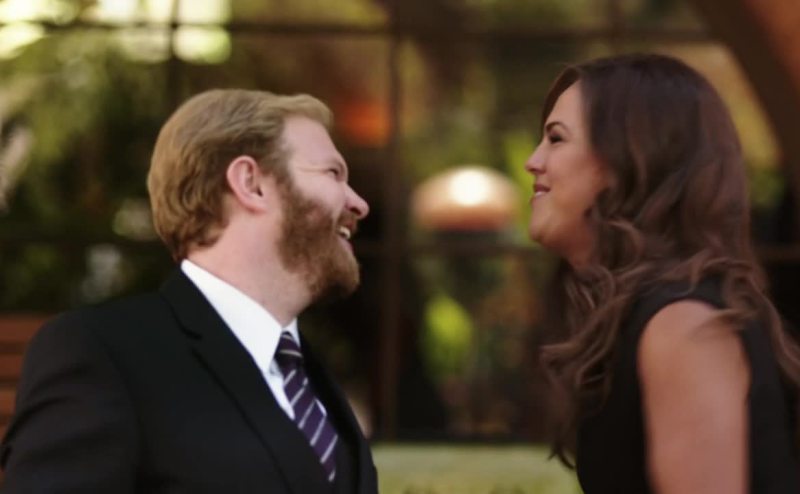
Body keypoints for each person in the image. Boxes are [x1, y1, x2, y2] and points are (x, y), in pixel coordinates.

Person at [0, 89, 379, 493]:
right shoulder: (101, 354)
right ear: (251, 183)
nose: (359, 204)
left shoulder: (313, 381)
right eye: (333, 174)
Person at [527, 53, 800, 493]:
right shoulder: (648, 318)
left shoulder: (683, 324)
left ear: (628, 161)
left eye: (556, 139)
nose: (533, 161)